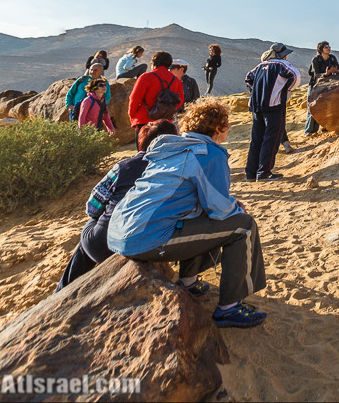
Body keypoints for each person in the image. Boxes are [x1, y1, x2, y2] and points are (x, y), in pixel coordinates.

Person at [108, 100, 270, 328]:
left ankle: (188, 282)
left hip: (119, 232)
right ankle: (229, 308)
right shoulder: (209, 153)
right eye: (226, 125)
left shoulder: (173, 149)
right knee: (243, 226)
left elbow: (190, 194)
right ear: (218, 128)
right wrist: (235, 208)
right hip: (145, 237)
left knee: (204, 217)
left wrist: (230, 203)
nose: (228, 129)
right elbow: (219, 209)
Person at [55, 120, 178, 292]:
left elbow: (92, 207)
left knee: (93, 228)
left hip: (106, 245)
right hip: (150, 246)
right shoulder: (176, 170)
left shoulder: (124, 167)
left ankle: (62, 290)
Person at [244, 43, 300, 179]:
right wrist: (287, 89)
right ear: (281, 55)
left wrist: (257, 91)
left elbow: (248, 78)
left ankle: (251, 173)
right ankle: (264, 172)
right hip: (274, 105)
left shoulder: (260, 66)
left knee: (256, 139)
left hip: (257, 106)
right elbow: (296, 76)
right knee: (271, 138)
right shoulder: (281, 64)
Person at [128, 51, 185, 134]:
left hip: (144, 121)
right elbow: (180, 100)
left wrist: (132, 115)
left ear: (153, 63)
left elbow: (134, 99)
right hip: (165, 123)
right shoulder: (176, 80)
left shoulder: (146, 77)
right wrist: (166, 111)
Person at [304, 41, 339, 137]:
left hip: (328, 85)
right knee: (312, 107)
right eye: (326, 47)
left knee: (325, 106)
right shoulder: (316, 59)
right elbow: (316, 74)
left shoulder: (332, 58)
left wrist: (336, 71)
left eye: (329, 47)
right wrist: (325, 74)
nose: (328, 48)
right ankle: (308, 131)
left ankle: (322, 128)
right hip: (315, 85)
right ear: (321, 50)